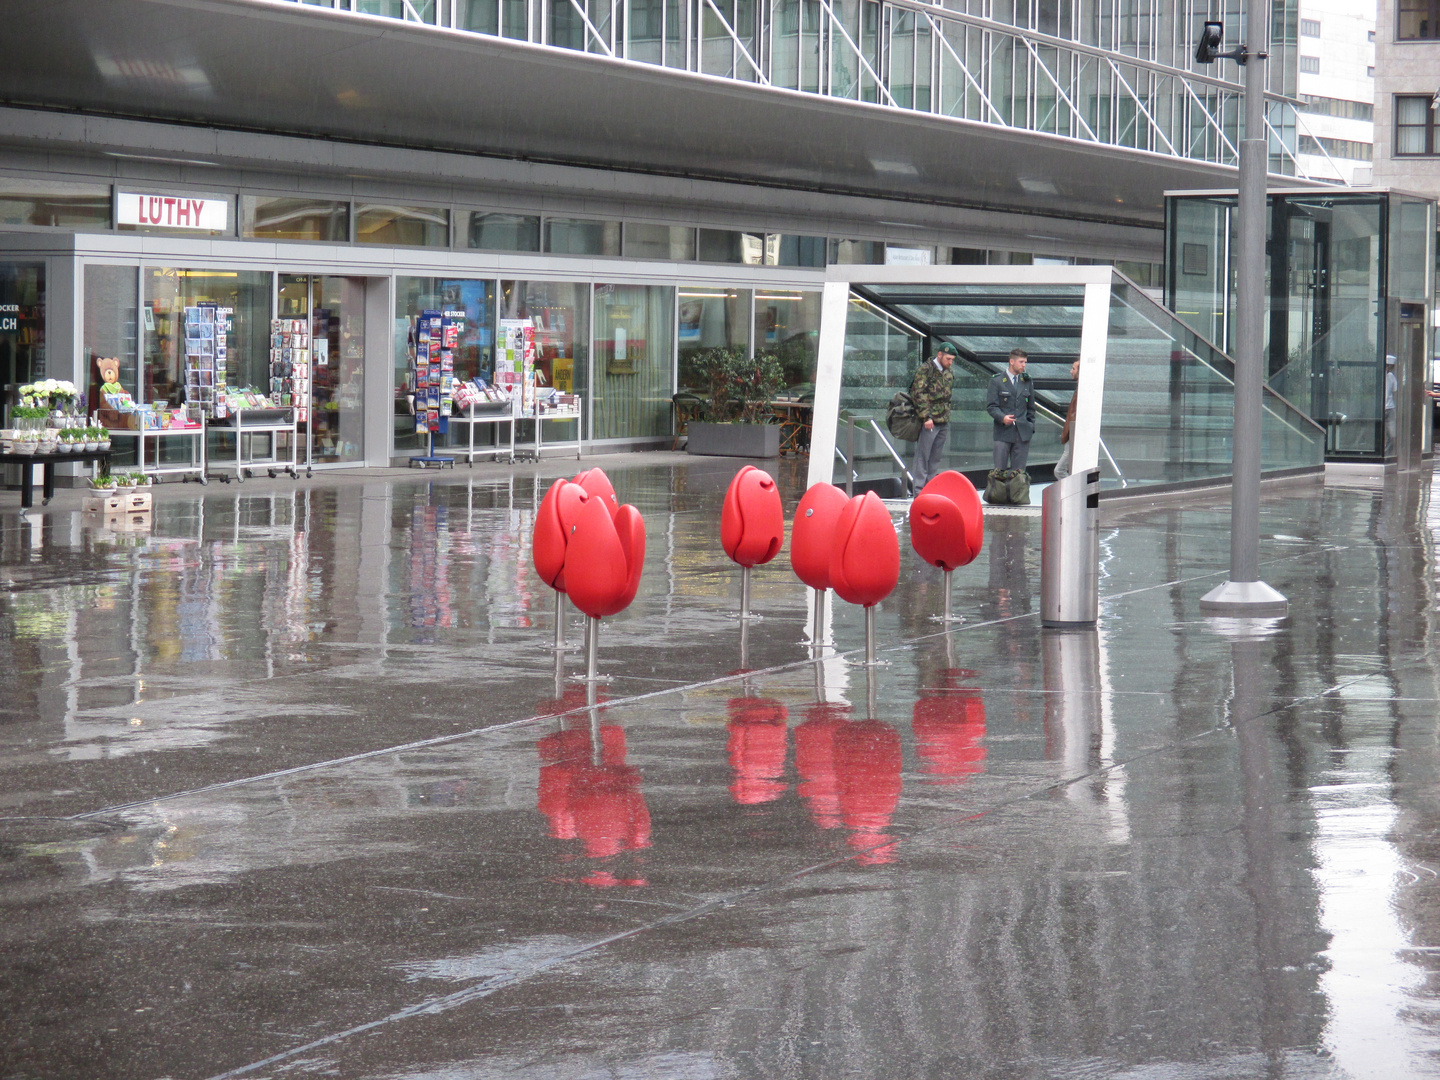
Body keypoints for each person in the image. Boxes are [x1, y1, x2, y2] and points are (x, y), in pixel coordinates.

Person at [910, 341, 957, 492]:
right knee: (922, 457)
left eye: (952, 360)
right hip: (930, 420)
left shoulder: (948, 371)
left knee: (935, 458)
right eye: (948, 359)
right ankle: (918, 491)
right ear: (939, 355)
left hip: (943, 419)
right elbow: (918, 393)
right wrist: (926, 416)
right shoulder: (926, 369)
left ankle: (930, 489)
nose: (950, 362)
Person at [986, 348, 1035, 471]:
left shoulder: (1026, 381)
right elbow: (992, 406)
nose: (1024, 365)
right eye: (1021, 362)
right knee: (999, 472)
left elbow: (1031, 408)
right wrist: (1002, 417)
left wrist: (1030, 426)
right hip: (1003, 432)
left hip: (1022, 433)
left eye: (1025, 362)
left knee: (1018, 474)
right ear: (1011, 362)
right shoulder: (997, 381)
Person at [1053, 359, 1080, 480]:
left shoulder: (1083, 391)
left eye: (1074, 369)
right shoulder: (1080, 389)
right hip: (1072, 434)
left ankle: (1073, 492)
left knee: (1059, 470)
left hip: (1074, 434)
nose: (1071, 371)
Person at [1384, 353, 1398, 457]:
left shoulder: (1391, 377)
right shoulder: (1380, 375)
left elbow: (1395, 390)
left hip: (1390, 408)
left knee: (1392, 435)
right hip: (1382, 408)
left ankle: (1387, 454)